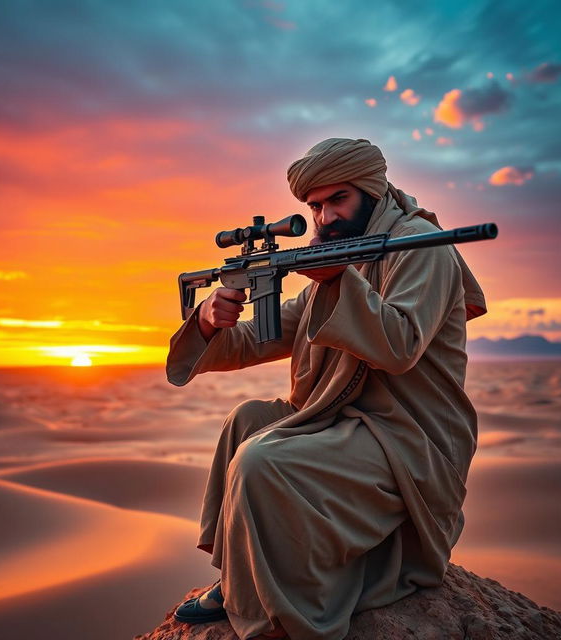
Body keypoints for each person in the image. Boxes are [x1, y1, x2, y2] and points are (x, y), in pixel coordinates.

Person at [165, 137, 487, 640]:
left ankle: (288, 618)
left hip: (409, 444)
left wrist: (337, 280)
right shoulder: (338, 261)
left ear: (371, 192)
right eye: (315, 206)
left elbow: (400, 345)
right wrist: (209, 321)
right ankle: (238, 581)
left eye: (338, 200)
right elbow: (259, 340)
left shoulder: (421, 247)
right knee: (246, 421)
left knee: (260, 460)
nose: (325, 216)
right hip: (348, 424)